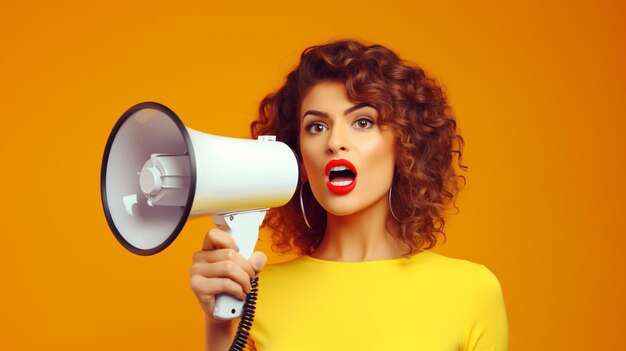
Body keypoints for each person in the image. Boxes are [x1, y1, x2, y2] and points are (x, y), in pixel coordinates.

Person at [189, 39, 509, 350]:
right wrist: (218, 323)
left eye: (363, 122)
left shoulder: (471, 291)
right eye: (316, 127)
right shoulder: (257, 293)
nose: (335, 142)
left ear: (405, 144)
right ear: (297, 157)